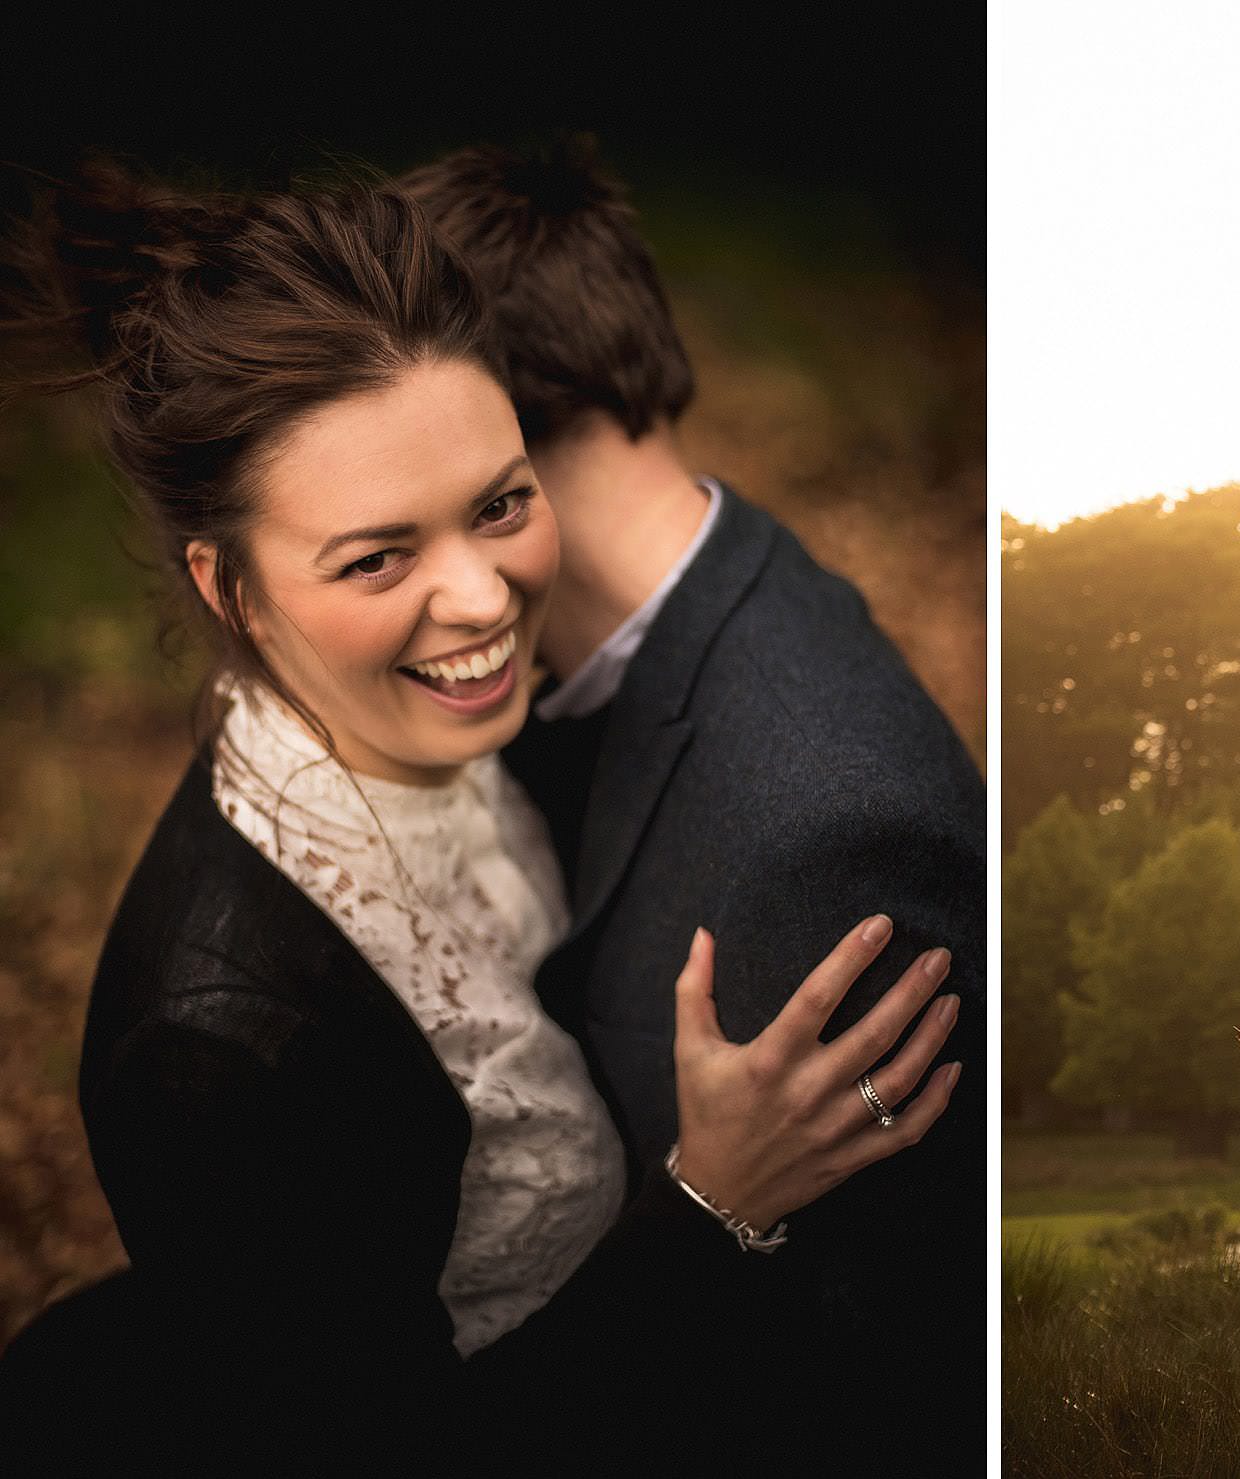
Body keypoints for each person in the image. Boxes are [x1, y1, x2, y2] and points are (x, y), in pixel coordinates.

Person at [0, 168, 960, 1471]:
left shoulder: (431, 727)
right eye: (378, 556)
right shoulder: (219, 1042)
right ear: (228, 588)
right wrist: (708, 1200)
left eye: (500, 502)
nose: (481, 599)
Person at [397, 139, 987, 1456]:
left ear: (477, 419)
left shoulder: (832, 833)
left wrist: (706, 1203)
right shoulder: (653, 618)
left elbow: (861, 1376)